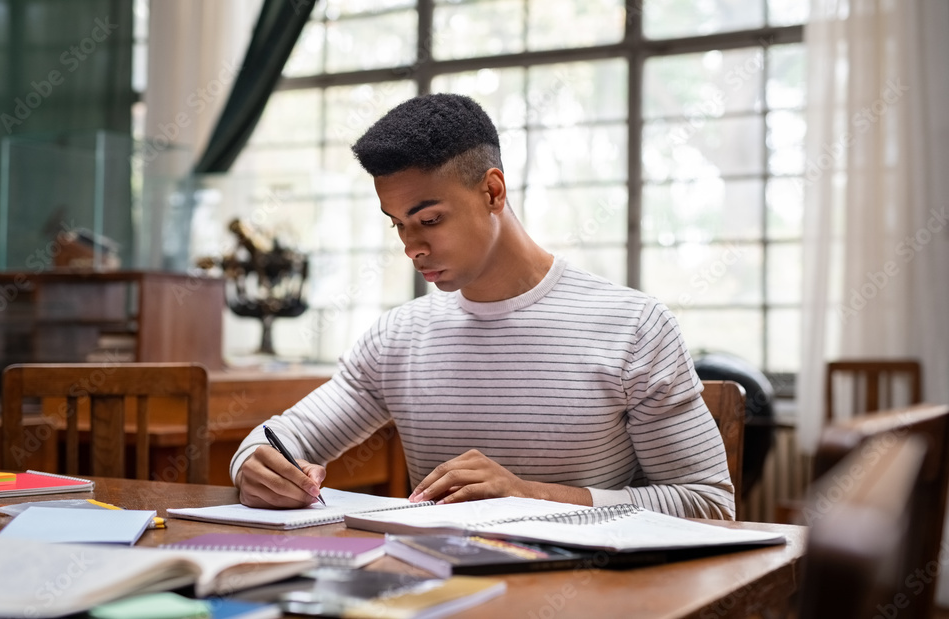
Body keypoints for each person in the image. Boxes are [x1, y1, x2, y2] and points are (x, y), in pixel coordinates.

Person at [231, 93, 734, 519]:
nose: (411, 247)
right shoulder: (398, 338)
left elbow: (708, 503)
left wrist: (530, 495)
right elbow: (278, 439)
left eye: (428, 220)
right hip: (437, 594)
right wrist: (255, 464)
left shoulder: (633, 327)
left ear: (492, 192)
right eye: (397, 224)